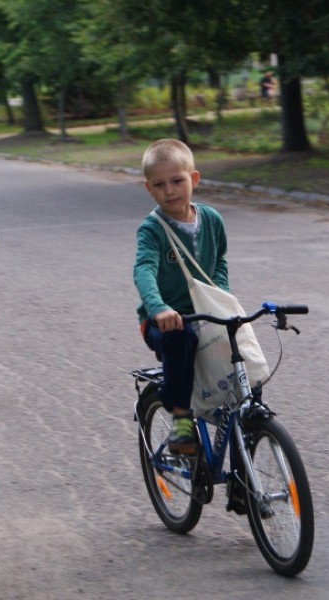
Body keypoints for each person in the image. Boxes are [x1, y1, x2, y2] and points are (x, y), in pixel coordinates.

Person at [133, 139, 229, 454]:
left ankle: (246, 423)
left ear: (194, 179)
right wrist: (158, 308)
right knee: (181, 337)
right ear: (149, 189)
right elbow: (144, 270)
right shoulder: (152, 229)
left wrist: (220, 297)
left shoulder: (211, 220)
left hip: (206, 314)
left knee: (238, 345)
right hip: (162, 321)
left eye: (177, 181)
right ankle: (181, 422)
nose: (170, 191)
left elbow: (219, 262)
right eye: (159, 185)